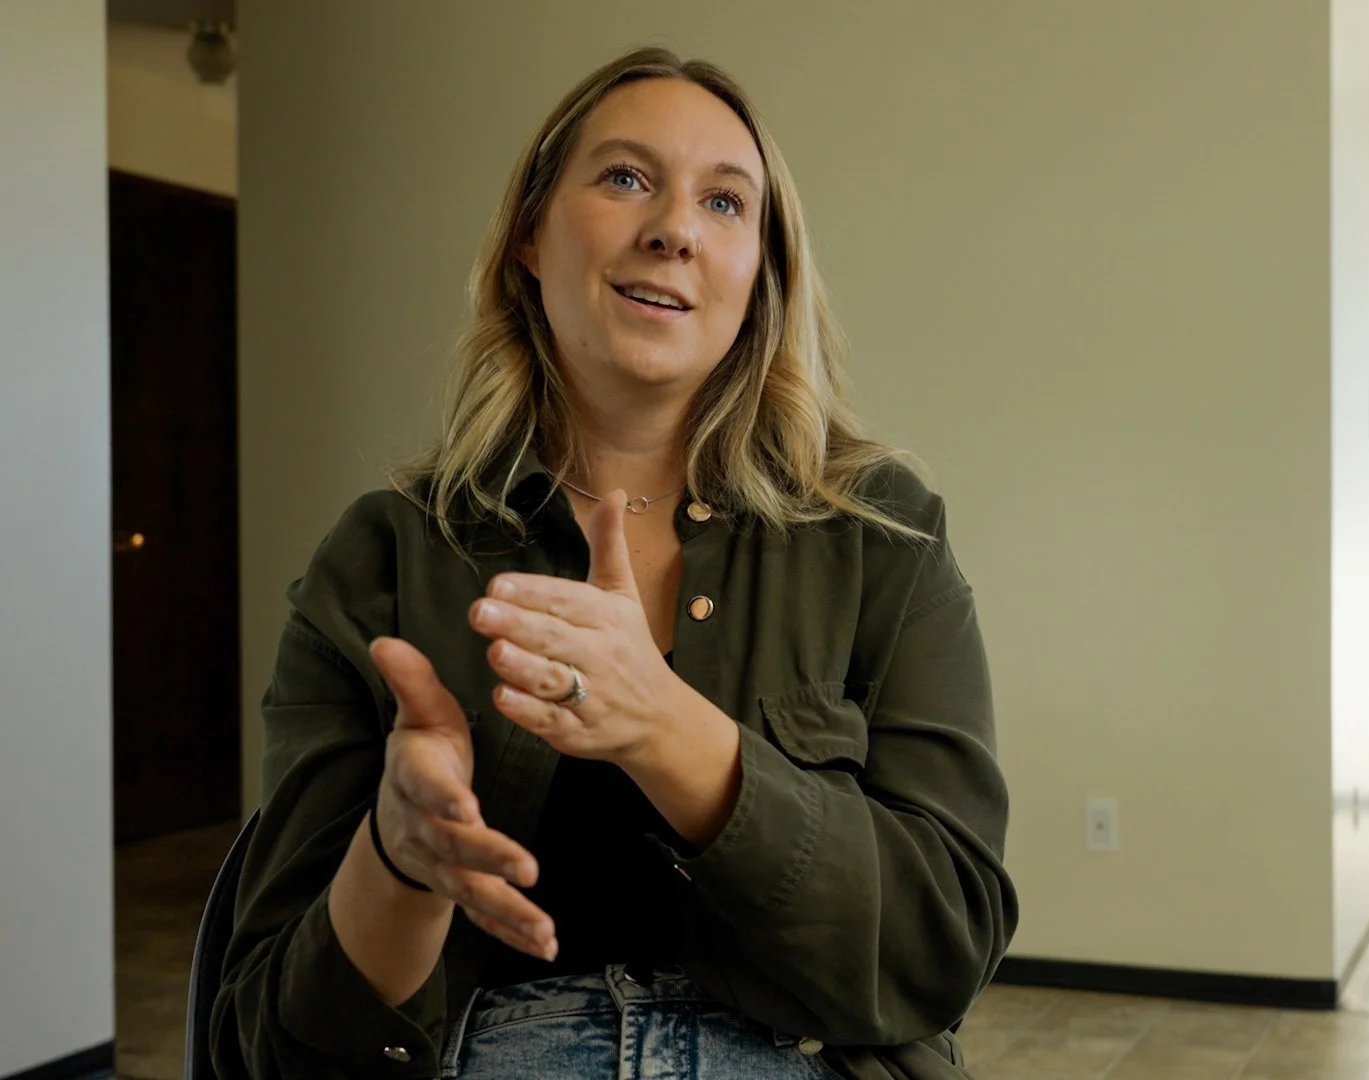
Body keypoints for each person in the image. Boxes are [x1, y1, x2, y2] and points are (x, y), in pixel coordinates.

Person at [211, 45, 1015, 1080]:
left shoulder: (881, 535)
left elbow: (941, 949)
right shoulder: (384, 556)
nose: (675, 229)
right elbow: (265, 1049)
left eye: (726, 204)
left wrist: (665, 727)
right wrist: (398, 862)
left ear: (761, 279)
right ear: (529, 240)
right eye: (626, 177)